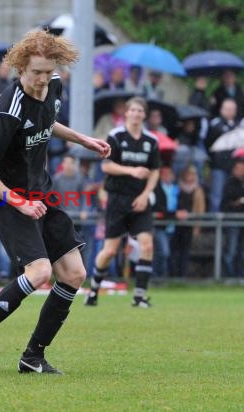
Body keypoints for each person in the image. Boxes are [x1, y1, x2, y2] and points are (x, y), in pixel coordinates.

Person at [0, 30, 111, 374]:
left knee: (73, 273)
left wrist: (82, 139)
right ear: (20, 68)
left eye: (47, 71)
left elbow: (47, 121)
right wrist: (18, 202)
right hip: (10, 198)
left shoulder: (52, 84)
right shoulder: (8, 110)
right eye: (35, 72)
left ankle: (33, 357)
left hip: (41, 191)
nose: (42, 79)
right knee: (40, 272)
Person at [85, 96, 160, 308]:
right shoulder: (116, 136)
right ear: (126, 113)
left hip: (140, 201)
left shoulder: (151, 140)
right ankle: (93, 291)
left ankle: (139, 297)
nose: (136, 114)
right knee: (109, 250)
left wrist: (146, 193)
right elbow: (106, 167)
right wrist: (131, 170)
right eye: (133, 110)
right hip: (118, 199)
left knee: (147, 245)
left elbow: (155, 171)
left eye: (140, 111)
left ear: (144, 115)